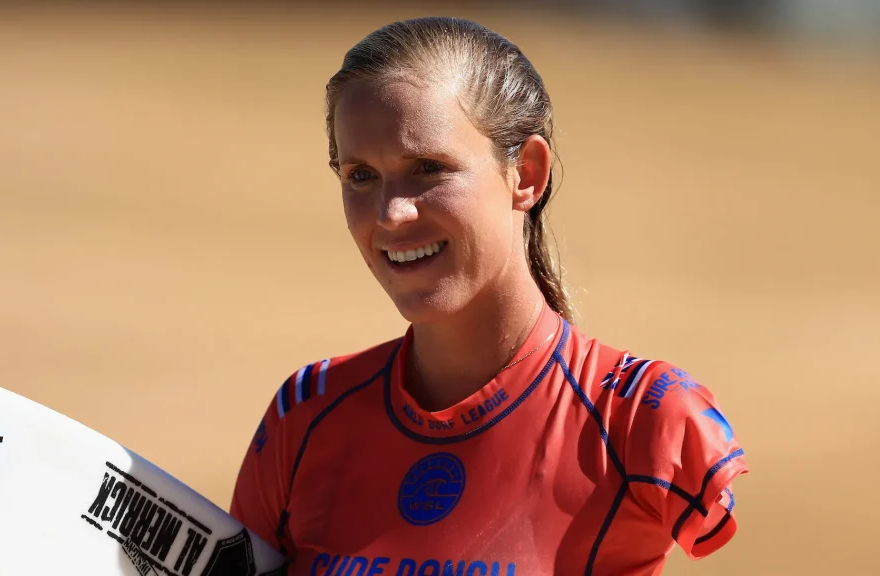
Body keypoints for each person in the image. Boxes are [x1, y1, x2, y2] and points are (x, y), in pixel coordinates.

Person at [230, 16, 748, 576]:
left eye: (428, 168)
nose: (390, 213)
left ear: (526, 174)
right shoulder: (305, 417)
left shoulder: (644, 421)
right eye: (360, 176)